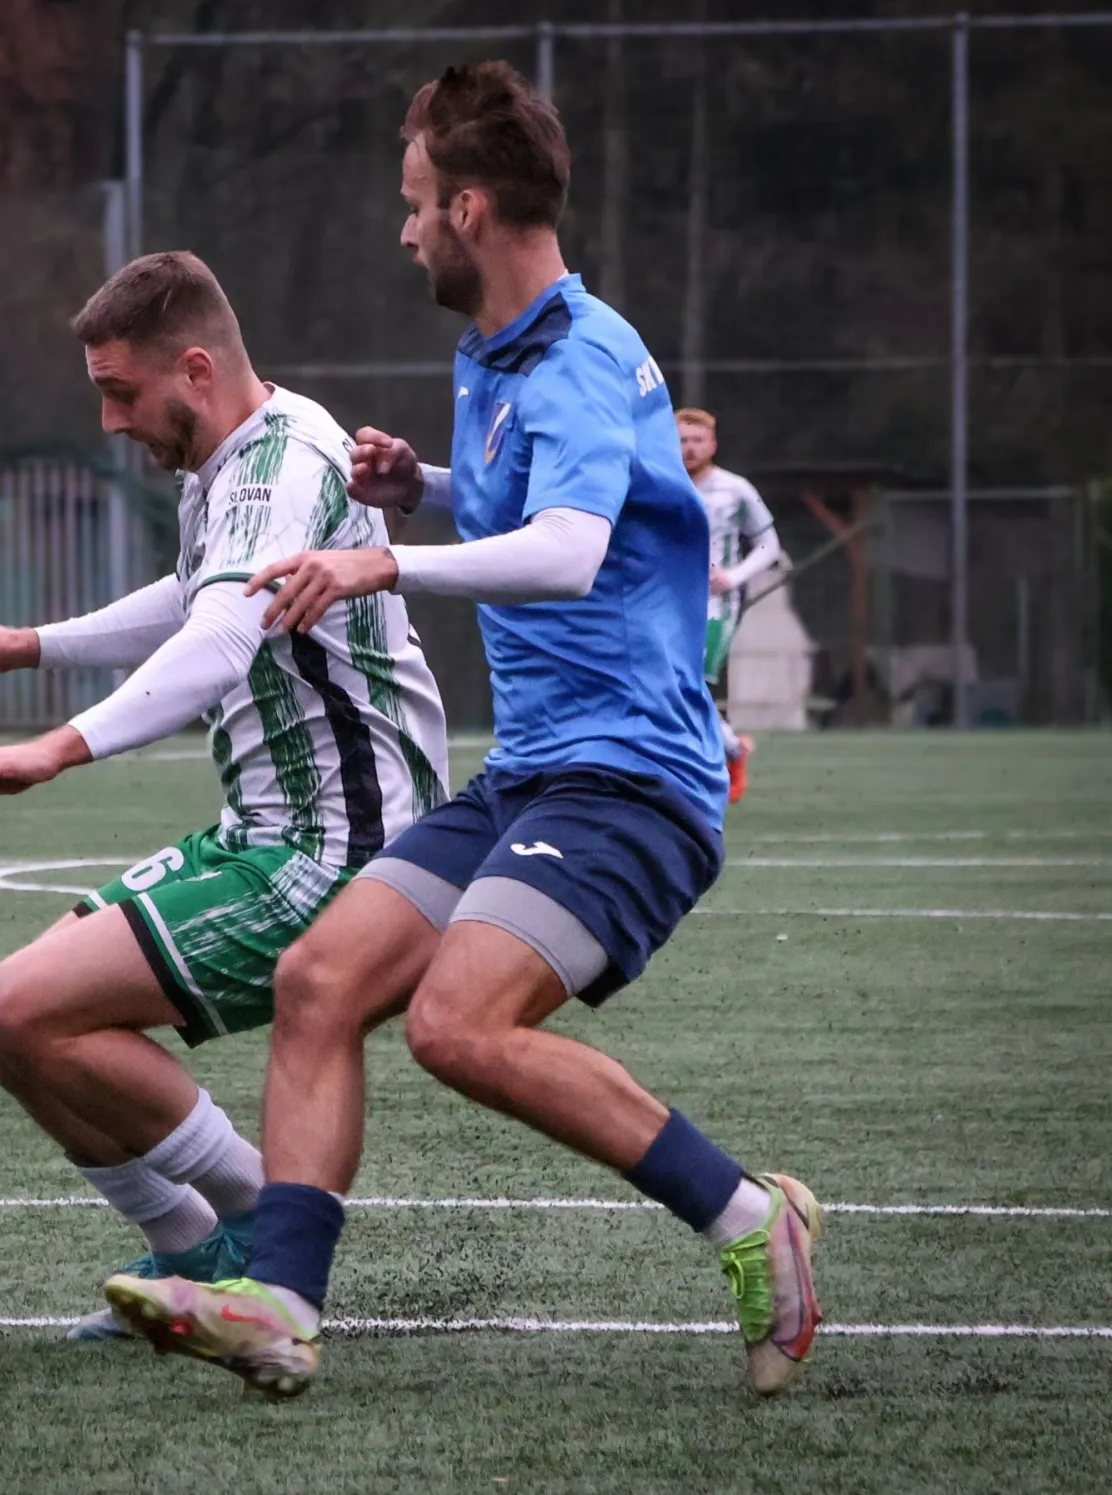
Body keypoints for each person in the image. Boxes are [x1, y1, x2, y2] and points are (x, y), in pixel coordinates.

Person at [105, 63, 822, 1402]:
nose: (405, 229)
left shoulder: (577, 357)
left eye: (415, 201)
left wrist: (385, 559)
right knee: (320, 981)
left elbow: (567, 551)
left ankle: (749, 1215)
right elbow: (545, 504)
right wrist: (421, 486)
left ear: (471, 209)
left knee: (455, 1023)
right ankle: (280, 1306)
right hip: (534, 773)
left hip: (632, 778)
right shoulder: (500, 348)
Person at [0, 251, 448, 1340]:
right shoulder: (231, 459)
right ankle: (193, 1247)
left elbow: (224, 638)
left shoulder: (281, 463)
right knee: (6, 1021)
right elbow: (199, 593)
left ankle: (262, 1219)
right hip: (266, 833)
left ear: (195, 369)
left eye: (119, 392)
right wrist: (30, 644)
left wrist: (57, 748)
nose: (107, 421)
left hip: (346, 848)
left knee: (26, 1008)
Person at [676, 407, 782, 804]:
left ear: (713, 444)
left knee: (690, 682)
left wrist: (734, 577)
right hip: (666, 599)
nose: (689, 448)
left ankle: (722, 756)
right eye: (682, 440)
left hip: (714, 603)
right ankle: (729, 748)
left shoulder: (735, 489)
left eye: (697, 440)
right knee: (671, 682)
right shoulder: (661, 482)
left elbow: (770, 545)